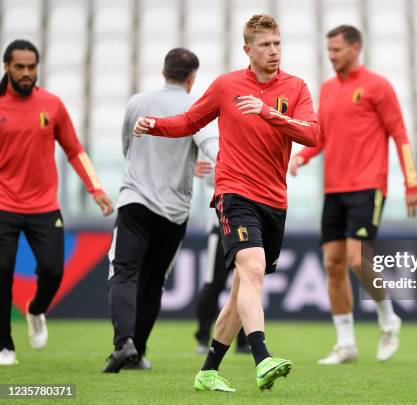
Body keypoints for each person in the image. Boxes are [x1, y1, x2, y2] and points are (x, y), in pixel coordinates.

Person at [133, 14, 319, 392]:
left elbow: (313, 135)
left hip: (275, 201)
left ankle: (208, 371)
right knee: (251, 269)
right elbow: (188, 122)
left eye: (278, 43)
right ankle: (263, 358)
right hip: (234, 193)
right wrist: (154, 124)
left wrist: (269, 113)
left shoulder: (296, 88)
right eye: (265, 45)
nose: (274, 51)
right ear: (247, 49)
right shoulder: (226, 86)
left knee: (240, 292)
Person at [289, 25, 417, 364]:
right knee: (333, 264)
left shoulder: (378, 86)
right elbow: (322, 135)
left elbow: (401, 135)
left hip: (368, 187)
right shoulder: (329, 89)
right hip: (333, 189)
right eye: (328, 50)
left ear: (355, 48)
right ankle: (346, 343)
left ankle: (388, 317)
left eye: (336, 50)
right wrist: (301, 156)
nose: (331, 56)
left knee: (356, 259)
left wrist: (412, 184)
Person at [0, 39, 113, 366]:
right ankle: (4, 344)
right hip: (4, 205)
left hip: (44, 205)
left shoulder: (52, 105)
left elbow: (75, 150)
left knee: (52, 271)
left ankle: (36, 310)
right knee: (1, 270)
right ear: (7, 67)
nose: (26, 73)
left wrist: (96, 188)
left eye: (31, 67)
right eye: (19, 67)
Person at [103, 48, 215, 373]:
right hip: (175, 211)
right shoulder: (197, 109)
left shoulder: (137, 102)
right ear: (192, 78)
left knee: (123, 272)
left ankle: (123, 343)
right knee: (152, 283)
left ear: (164, 70)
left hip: (136, 201)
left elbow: (128, 146)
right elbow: (211, 149)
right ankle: (137, 353)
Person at [193, 133, 249, 355]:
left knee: (247, 281)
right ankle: (203, 336)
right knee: (213, 282)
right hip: (221, 223)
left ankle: (244, 341)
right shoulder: (216, 140)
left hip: (249, 222)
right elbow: (208, 175)